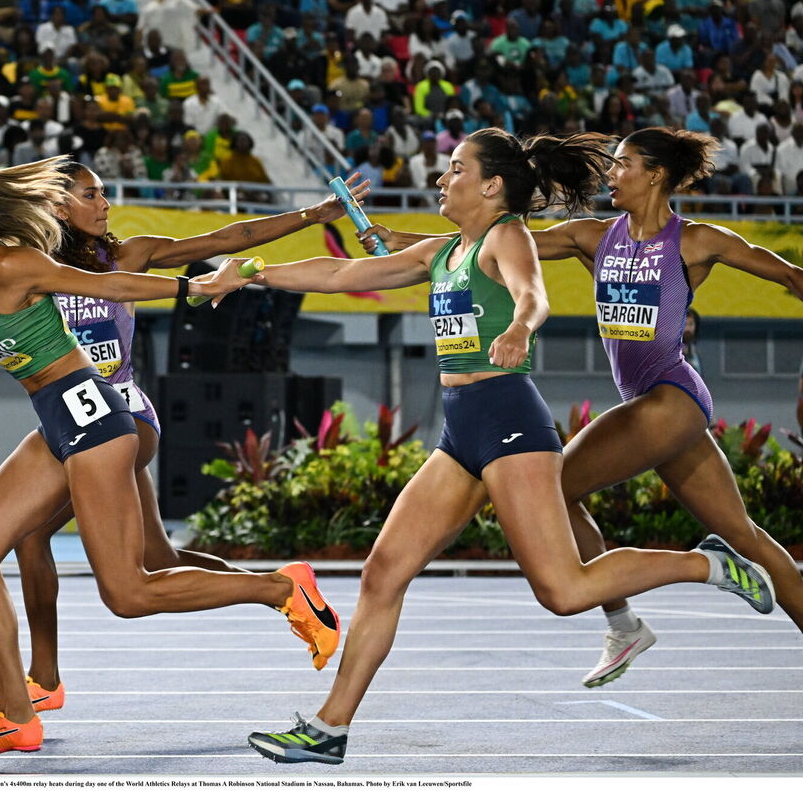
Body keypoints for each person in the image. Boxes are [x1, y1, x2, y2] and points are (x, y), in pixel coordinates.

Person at [211, 129, 776, 765]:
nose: (441, 179)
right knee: (383, 572)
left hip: (510, 423)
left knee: (563, 592)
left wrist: (516, 325)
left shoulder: (507, 237)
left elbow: (532, 291)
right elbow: (341, 272)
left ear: (490, 185)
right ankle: (329, 728)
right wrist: (250, 273)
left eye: (455, 169)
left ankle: (706, 565)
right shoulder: (444, 250)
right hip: (461, 430)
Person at [0, 157, 340, 760]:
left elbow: (111, 285)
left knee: (129, 593)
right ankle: (18, 715)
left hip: (98, 417)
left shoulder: (9, 263)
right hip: (56, 423)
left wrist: (198, 285)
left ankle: (278, 589)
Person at [363, 127, 803, 691]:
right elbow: (483, 243)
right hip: (648, 404)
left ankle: (623, 622)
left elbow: (789, 275)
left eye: (623, 165)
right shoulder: (591, 238)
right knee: (744, 535)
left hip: (672, 396)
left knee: (551, 484)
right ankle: (636, 617)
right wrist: (394, 237)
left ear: (656, 175)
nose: (611, 175)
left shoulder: (697, 241)